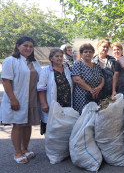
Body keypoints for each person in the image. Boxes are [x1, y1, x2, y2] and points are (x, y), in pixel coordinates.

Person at [0, 36, 41, 164]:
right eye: (25, 45)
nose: (28, 48)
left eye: (31, 46)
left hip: (32, 99)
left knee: (27, 125)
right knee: (18, 125)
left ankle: (25, 148)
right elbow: (6, 81)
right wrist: (13, 99)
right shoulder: (10, 61)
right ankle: (17, 152)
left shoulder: (35, 62)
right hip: (18, 98)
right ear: (18, 46)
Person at [37, 49, 73, 134]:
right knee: (52, 128)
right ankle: (52, 147)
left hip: (67, 104)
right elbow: (41, 88)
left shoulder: (67, 70)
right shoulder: (45, 70)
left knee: (64, 127)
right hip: (53, 103)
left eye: (61, 56)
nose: (59, 58)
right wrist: (44, 104)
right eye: (57, 56)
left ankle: (62, 146)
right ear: (51, 58)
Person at [71, 43, 104, 114]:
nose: (88, 53)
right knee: (84, 115)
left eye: (90, 52)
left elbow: (102, 78)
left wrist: (99, 88)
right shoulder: (78, 64)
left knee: (95, 114)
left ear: (93, 53)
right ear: (81, 53)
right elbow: (77, 79)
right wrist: (90, 90)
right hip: (82, 96)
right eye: (85, 52)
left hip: (96, 95)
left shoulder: (96, 66)